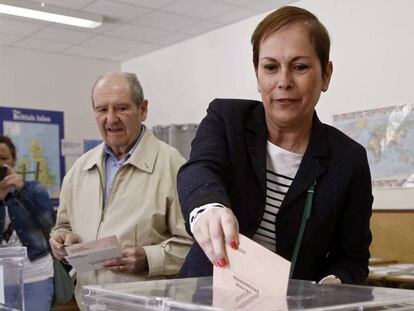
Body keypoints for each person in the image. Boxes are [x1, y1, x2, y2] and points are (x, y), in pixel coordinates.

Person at [177, 6, 373, 285]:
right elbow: (200, 169)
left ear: (326, 75)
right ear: (257, 75)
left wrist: (334, 283)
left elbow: (352, 258)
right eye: (270, 67)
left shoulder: (348, 159)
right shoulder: (226, 118)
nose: (284, 82)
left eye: (300, 67)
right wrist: (208, 207)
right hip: (205, 297)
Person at [49, 72, 192, 302]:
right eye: (102, 109)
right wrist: (61, 240)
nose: (111, 119)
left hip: (146, 306)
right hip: (90, 303)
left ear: (143, 110)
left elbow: (195, 245)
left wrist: (149, 258)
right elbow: (63, 225)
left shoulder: (172, 165)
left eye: (121, 108)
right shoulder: (79, 170)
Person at [0, 135, 55, 311]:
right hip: (2, 280)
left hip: (36, 275)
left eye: (3, 158)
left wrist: (22, 190)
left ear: (13, 160)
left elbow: (48, 221)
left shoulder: (33, 189)